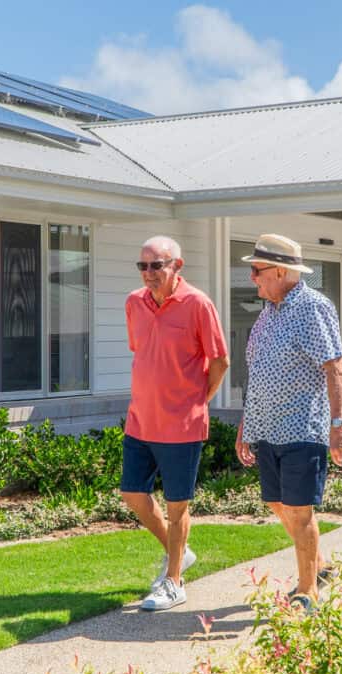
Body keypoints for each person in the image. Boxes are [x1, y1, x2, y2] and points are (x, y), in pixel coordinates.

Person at [235, 233, 342, 611]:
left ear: (281, 271)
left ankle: (308, 591)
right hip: (266, 429)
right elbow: (257, 375)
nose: (252, 278)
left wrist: (338, 424)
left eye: (257, 270)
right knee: (275, 502)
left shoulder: (312, 307)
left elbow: (336, 366)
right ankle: (318, 564)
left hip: (303, 427)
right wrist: (244, 427)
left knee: (300, 510)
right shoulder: (268, 315)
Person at [122, 236, 229, 611]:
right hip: (140, 419)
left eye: (157, 265)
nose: (149, 273)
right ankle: (178, 553)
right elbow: (143, 353)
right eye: (143, 266)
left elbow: (219, 361)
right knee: (132, 494)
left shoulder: (198, 304)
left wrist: (198, 401)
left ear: (177, 266)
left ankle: (173, 582)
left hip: (182, 425)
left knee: (177, 506)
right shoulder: (134, 303)